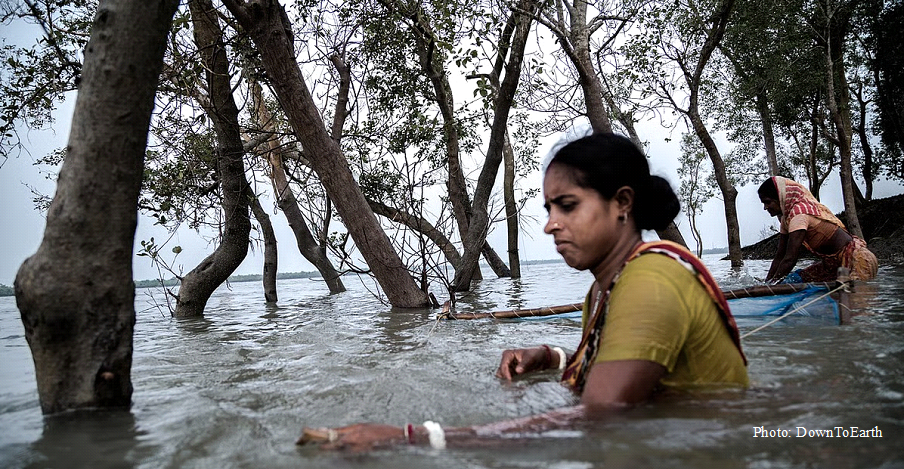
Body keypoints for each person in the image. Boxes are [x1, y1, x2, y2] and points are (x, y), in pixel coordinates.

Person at [297, 132, 749, 451]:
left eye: (567, 206)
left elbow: (600, 417)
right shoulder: (606, 289)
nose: (551, 224)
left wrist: (411, 438)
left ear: (622, 203)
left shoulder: (651, 282)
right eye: (549, 208)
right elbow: (617, 367)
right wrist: (552, 357)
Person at [757, 176, 877, 283]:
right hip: (833, 265)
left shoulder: (799, 215)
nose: (765, 207)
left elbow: (790, 259)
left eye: (768, 202)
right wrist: (768, 282)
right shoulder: (786, 219)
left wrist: (773, 286)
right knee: (797, 279)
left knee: (850, 298)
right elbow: (780, 256)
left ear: (780, 198)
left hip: (857, 261)